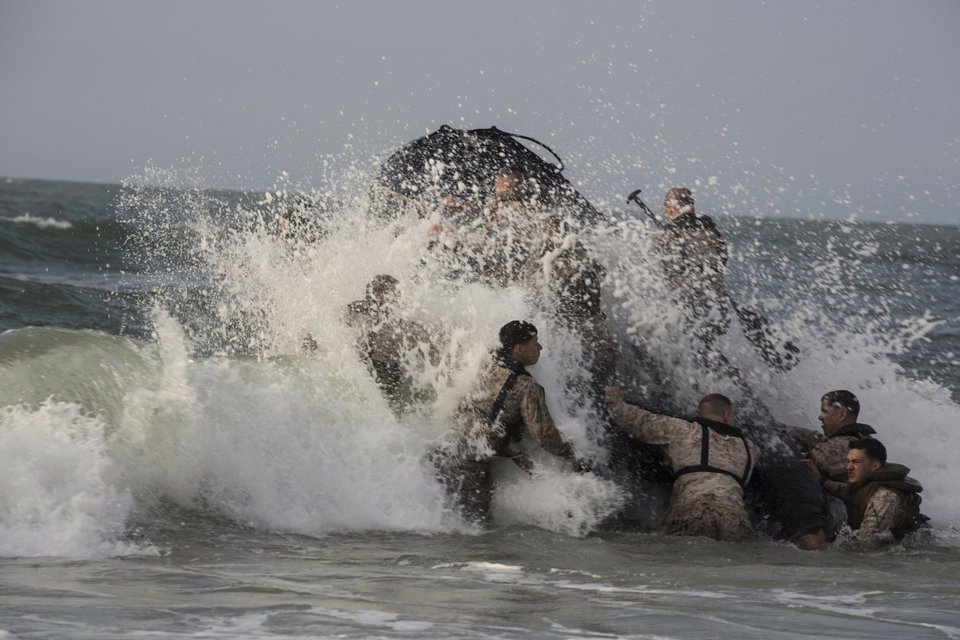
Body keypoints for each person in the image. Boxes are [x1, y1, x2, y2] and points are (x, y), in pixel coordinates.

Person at [434, 320, 580, 525]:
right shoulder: (527, 387)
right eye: (534, 342)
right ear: (519, 349)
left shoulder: (486, 361)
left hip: (447, 448)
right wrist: (570, 453)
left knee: (445, 520)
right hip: (470, 465)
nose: (540, 347)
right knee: (476, 531)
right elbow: (545, 436)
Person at [604, 387, 760, 541]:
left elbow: (639, 422)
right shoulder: (750, 449)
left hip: (695, 513)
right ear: (727, 415)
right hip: (735, 520)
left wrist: (614, 400)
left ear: (699, 414)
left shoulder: (684, 430)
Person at [808, 439, 928, 549]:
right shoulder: (868, 484)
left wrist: (825, 546)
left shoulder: (884, 497)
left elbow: (868, 542)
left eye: (856, 462)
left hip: (917, 547)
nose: (849, 467)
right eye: (848, 462)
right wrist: (822, 480)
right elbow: (848, 491)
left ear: (874, 466)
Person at [344, 274, 436, 415]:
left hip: (383, 370)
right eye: (391, 293)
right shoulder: (361, 309)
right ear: (377, 294)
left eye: (395, 293)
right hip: (372, 367)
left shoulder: (398, 317)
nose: (396, 297)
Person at [655, 187, 729, 347]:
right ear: (692, 206)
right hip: (718, 305)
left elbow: (663, 265)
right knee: (708, 347)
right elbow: (722, 261)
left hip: (686, 303)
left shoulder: (666, 236)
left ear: (669, 208)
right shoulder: (713, 232)